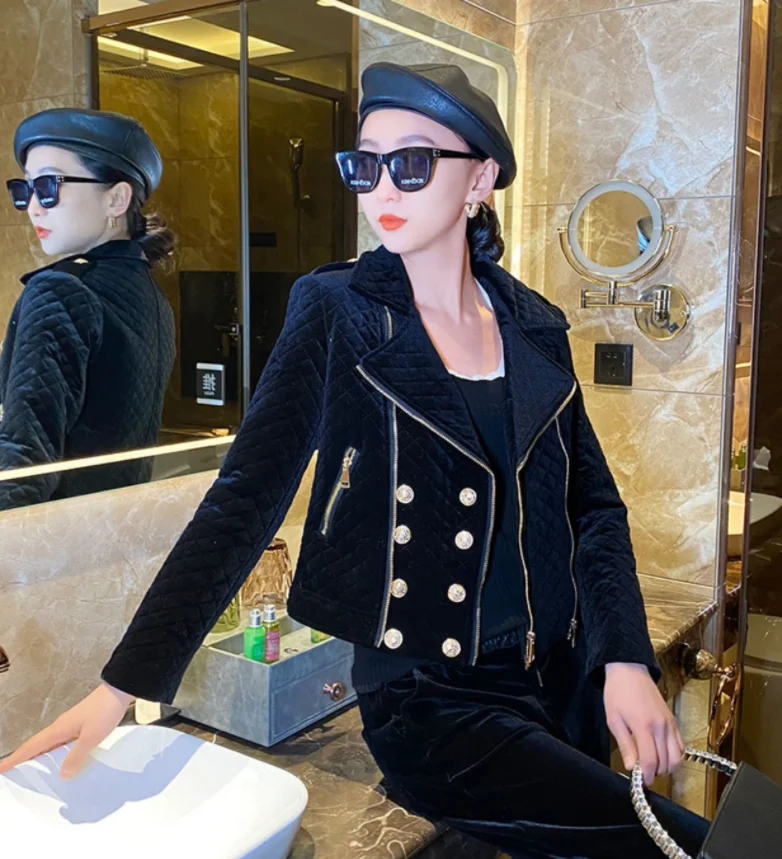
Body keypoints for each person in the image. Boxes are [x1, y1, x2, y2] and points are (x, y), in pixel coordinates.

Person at [0, 65, 709, 857]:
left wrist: (624, 657)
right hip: (430, 703)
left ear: (480, 179)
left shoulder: (532, 324)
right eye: (366, 164)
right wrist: (124, 682)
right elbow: (245, 497)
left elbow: (593, 508)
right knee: (686, 844)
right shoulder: (340, 310)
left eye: (411, 162)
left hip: (561, 673)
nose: (382, 188)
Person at [0, 108, 176, 509]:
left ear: (116, 199)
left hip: (52, 537)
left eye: (48, 186)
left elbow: (22, 466)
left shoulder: (60, 291)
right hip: (110, 530)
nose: (34, 207)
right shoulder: (152, 297)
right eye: (26, 189)